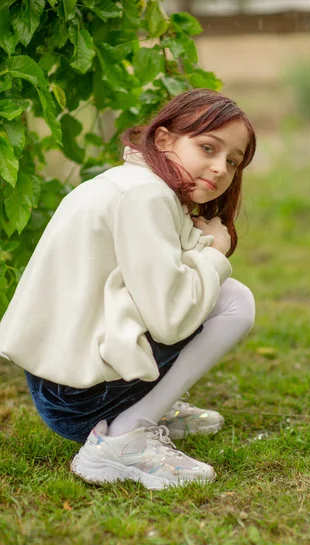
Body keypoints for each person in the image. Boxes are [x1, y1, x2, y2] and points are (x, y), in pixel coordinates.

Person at [0, 88, 256, 490]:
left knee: (216, 295)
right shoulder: (145, 195)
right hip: (78, 399)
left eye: (233, 161)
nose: (221, 168)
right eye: (208, 147)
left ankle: (149, 407)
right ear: (163, 139)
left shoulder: (134, 184)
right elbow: (172, 318)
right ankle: (124, 436)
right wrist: (216, 252)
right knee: (235, 303)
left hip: (63, 386)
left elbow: (162, 279)